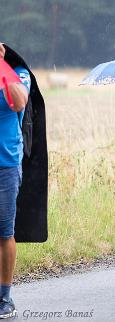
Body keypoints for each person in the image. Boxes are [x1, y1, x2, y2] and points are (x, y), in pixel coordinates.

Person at [0, 43, 30, 319]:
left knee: (3, 232)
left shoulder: (19, 74)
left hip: (5, 166)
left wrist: (1, 67)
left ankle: (4, 296)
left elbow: (19, 102)